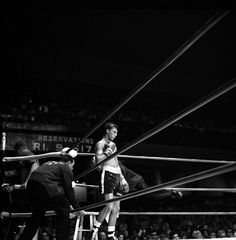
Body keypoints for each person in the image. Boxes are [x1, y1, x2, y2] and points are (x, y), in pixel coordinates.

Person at [18, 147, 84, 240]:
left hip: (31, 186)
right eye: (72, 167)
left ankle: (23, 239)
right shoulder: (65, 167)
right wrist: (78, 208)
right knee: (64, 209)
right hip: (44, 185)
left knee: (37, 216)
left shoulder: (49, 163)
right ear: (69, 163)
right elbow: (69, 191)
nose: (72, 169)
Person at [89, 122, 129, 240]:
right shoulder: (100, 144)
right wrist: (108, 151)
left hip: (117, 175)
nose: (116, 135)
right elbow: (99, 161)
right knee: (109, 207)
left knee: (116, 209)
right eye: (114, 132)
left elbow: (116, 162)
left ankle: (111, 234)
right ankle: (94, 230)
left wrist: (123, 178)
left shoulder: (113, 144)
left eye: (116, 132)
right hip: (108, 174)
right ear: (107, 131)